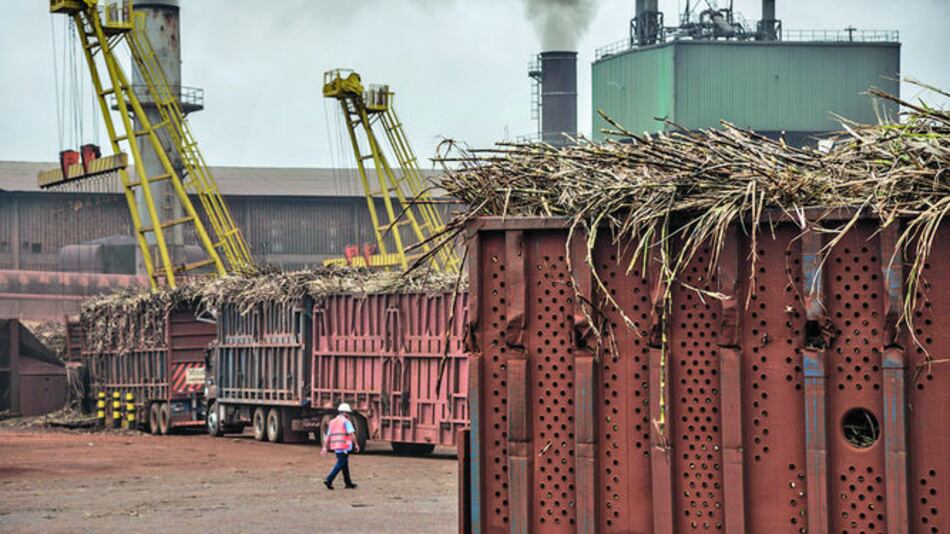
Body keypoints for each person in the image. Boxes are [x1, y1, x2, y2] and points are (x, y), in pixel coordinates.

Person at [321, 402, 359, 490]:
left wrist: (325, 447)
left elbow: (328, 436)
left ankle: (348, 482)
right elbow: (352, 434)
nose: (348, 415)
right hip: (344, 446)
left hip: (336, 446)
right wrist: (356, 444)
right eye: (348, 413)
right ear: (345, 413)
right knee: (340, 464)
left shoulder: (332, 422)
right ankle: (329, 479)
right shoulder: (346, 422)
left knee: (344, 464)